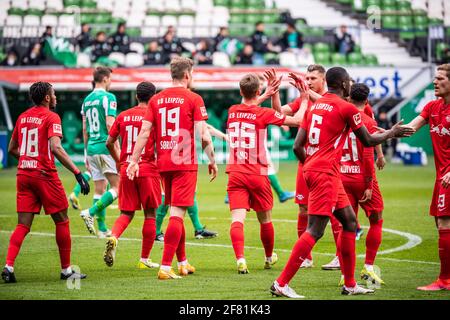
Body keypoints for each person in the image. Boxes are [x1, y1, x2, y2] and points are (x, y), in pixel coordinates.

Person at [270, 67, 414, 298]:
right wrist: (391, 133)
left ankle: (349, 284)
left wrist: (311, 165)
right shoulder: (346, 108)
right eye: (348, 82)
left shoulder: (314, 106)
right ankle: (281, 283)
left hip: (320, 171)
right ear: (345, 84)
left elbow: (297, 146)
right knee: (315, 230)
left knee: (349, 222)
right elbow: (367, 140)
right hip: (326, 173)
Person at [127, 57, 218, 280]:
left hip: (164, 163)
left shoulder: (156, 100)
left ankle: (183, 262)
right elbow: (203, 134)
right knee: (177, 213)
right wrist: (212, 160)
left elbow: (145, 133)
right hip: (185, 163)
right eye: (193, 74)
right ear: (187, 75)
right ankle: (165, 266)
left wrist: (133, 160)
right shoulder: (194, 98)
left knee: (178, 210)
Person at [1, 82, 90, 283]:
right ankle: (66, 270)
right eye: (54, 94)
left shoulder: (23, 117)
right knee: (62, 219)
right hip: (44, 175)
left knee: (22, 225)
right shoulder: (52, 117)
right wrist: (77, 173)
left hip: (24, 174)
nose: (56, 97)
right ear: (47, 98)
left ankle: (8, 266)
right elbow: (56, 148)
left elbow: (12, 149)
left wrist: (28, 158)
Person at [226, 73, 306, 274]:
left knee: (237, 219)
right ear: (258, 91)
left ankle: (241, 260)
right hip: (258, 173)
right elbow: (297, 121)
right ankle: (269, 257)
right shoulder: (262, 114)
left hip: (235, 172)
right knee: (265, 220)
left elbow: (248, 106)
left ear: (240, 91)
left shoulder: (232, 110)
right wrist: (304, 98)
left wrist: (267, 93)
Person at [274, 64, 340, 269]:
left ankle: (340, 256)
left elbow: (334, 107)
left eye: (313, 78)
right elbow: (278, 113)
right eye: (307, 78)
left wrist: (306, 91)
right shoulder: (302, 99)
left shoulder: (331, 101)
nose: (309, 81)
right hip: (305, 161)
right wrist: (274, 93)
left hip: (328, 163)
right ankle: (306, 257)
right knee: (303, 208)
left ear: (324, 81)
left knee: (336, 209)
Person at [103, 82, 160, 269]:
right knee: (150, 214)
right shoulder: (155, 116)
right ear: (154, 97)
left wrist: (121, 161)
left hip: (127, 168)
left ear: (136, 96)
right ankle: (144, 259)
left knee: (126, 213)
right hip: (148, 168)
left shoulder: (123, 115)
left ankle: (114, 236)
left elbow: (109, 142)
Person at [404, 64, 450, 291]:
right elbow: (412, 127)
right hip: (441, 177)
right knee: (440, 224)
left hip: (449, 177)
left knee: (444, 223)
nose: (434, 82)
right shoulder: (432, 107)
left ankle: (444, 280)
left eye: (440, 78)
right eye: (434, 78)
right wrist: (388, 133)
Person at [340, 83, 385, 286]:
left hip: (342, 176)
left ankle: (345, 274)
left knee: (346, 225)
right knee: (376, 219)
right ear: (366, 101)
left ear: (349, 99)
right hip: (362, 178)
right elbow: (368, 155)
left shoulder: (340, 118)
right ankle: (368, 267)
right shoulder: (367, 120)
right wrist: (368, 184)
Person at [79, 67, 120, 238]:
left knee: (100, 189)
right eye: (110, 78)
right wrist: (117, 149)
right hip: (105, 147)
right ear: (104, 79)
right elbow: (111, 125)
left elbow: (84, 129)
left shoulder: (86, 100)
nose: (111, 82)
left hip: (92, 149)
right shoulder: (109, 97)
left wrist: (86, 154)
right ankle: (91, 212)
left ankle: (102, 229)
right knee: (118, 188)